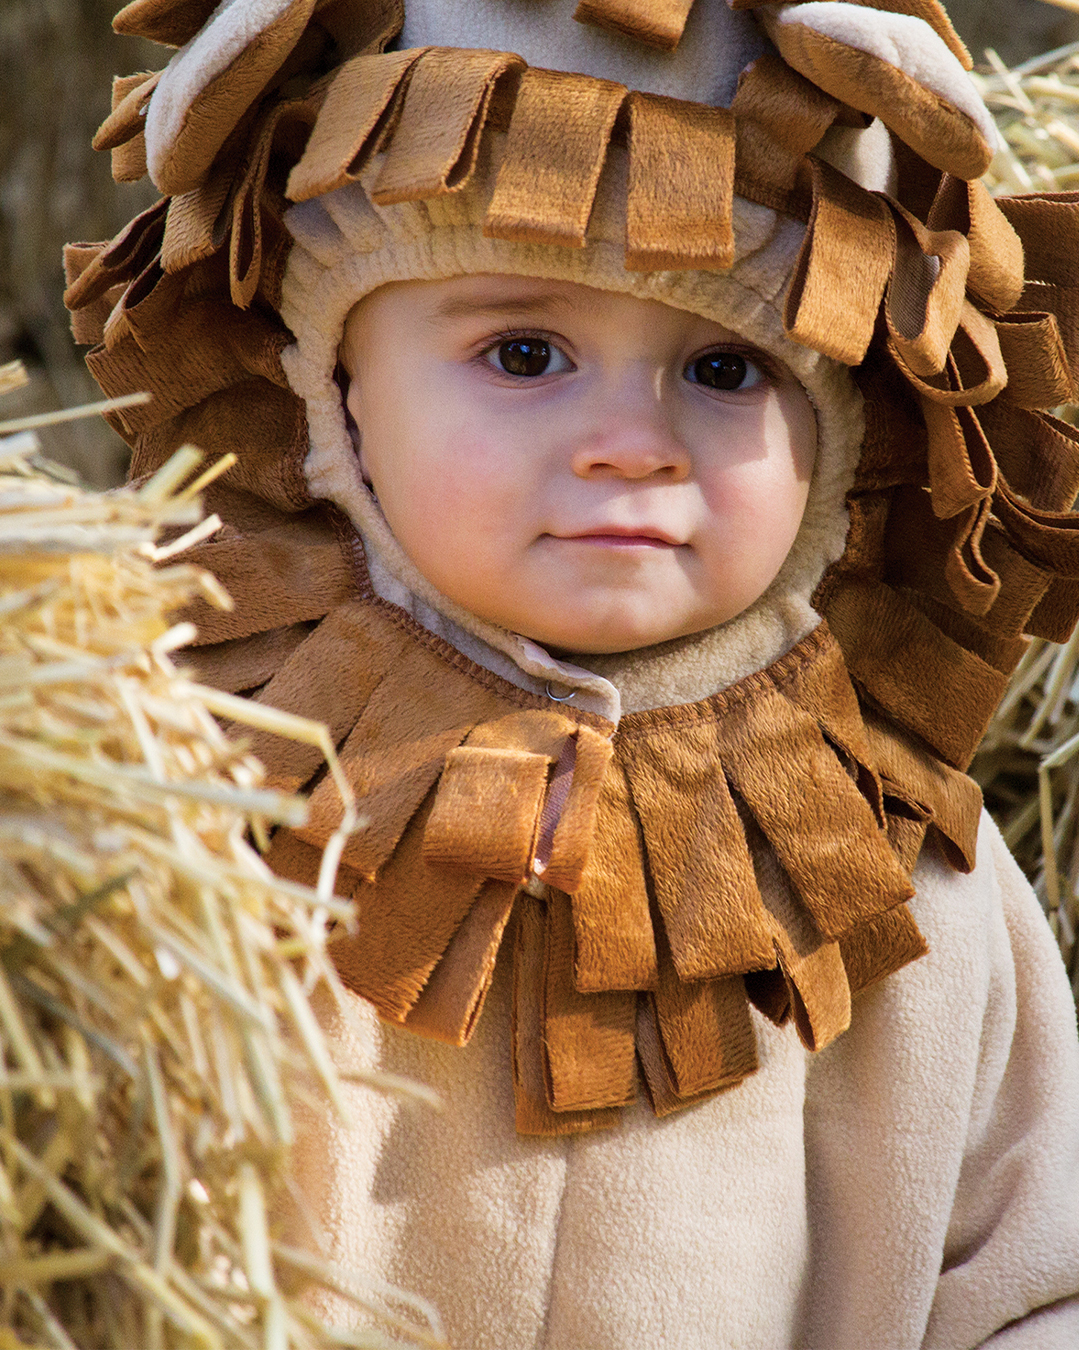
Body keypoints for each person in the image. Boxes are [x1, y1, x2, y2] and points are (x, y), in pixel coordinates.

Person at [66, 0, 1079, 1344]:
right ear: (336, 376)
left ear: (843, 428)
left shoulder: (898, 862)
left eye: (724, 366)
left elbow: (1030, 1271)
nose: (632, 444)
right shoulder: (182, 773)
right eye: (525, 354)